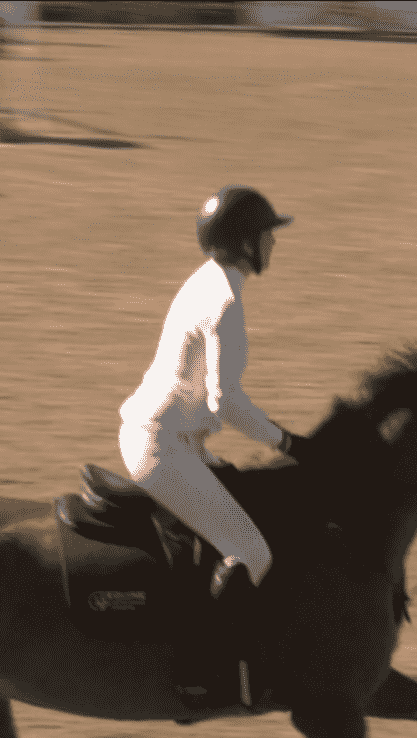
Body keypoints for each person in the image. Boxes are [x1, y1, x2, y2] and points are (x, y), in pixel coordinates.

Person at [119, 185, 301, 708]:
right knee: (252, 552)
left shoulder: (207, 281)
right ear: (245, 243)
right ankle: (202, 672)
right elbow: (227, 402)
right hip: (164, 448)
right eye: (267, 235)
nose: (273, 243)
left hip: (174, 441)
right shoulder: (225, 302)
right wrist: (287, 440)